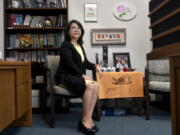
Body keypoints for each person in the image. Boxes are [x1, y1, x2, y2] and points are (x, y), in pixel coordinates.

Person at [55, 20, 101, 134]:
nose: (76, 30)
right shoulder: (66, 45)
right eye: (73, 28)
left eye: (79, 28)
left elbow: (84, 63)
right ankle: (84, 121)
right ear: (68, 31)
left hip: (76, 76)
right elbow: (69, 64)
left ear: (81, 31)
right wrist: (83, 76)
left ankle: (88, 118)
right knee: (91, 85)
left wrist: (95, 65)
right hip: (66, 76)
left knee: (96, 85)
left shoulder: (79, 45)